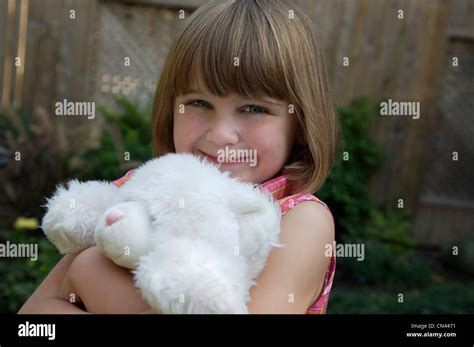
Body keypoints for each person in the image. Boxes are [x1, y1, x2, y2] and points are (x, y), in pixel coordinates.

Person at [19, 0, 340, 314]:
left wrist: (90, 274)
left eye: (254, 109)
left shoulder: (300, 220)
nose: (220, 134)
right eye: (200, 103)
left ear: (300, 123)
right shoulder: (144, 190)